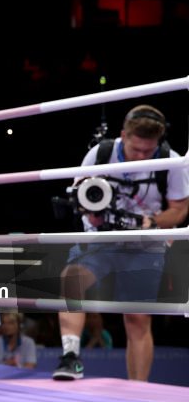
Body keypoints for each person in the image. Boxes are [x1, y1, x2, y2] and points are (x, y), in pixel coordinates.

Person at [53, 105, 188, 381]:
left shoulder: (170, 160)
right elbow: (78, 194)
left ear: (158, 143)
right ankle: (70, 357)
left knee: (137, 318)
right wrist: (92, 213)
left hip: (144, 243)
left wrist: (153, 222)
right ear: (123, 135)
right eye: (135, 149)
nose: (140, 156)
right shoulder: (101, 153)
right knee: (71, 282)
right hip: (100, 238)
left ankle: (137, 388)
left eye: (146, 152)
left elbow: (179, 209)